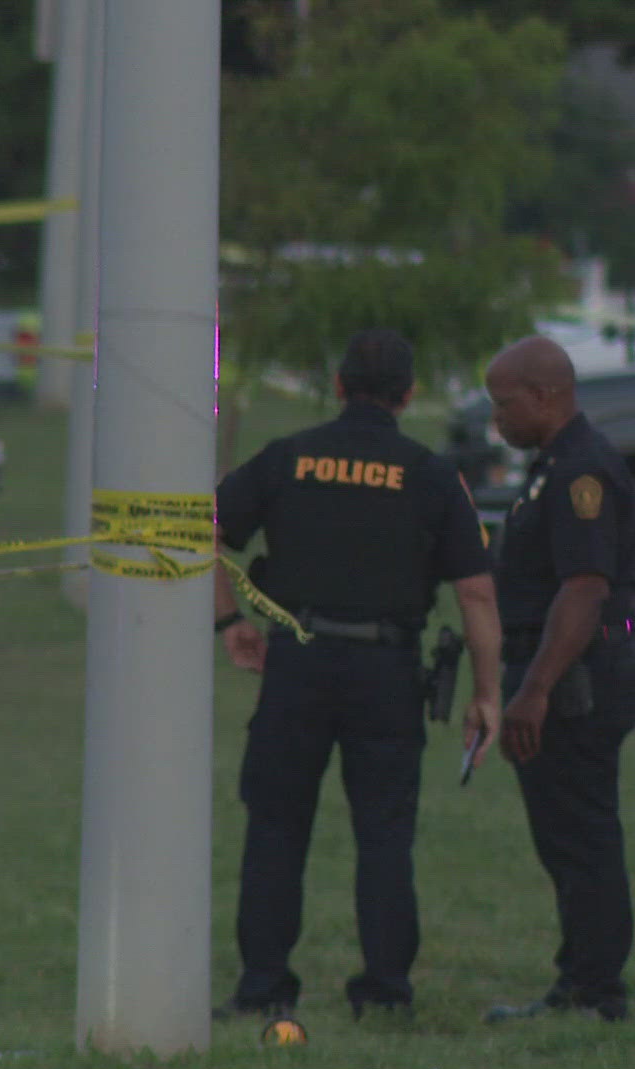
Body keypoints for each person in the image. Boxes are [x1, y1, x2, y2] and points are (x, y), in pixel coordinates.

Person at [211, 328, 504, 1020]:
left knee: (276, 828)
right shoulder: (431, 475)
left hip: (298, 664)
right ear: (408, 396)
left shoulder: (289, 458)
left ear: (338, 387)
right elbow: (477, 594)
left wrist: (231, 624)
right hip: (386, 670)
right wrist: (488, 694)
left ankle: (262, 990)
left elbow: (205, 528)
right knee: (383, 834)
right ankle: (384, 994)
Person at [478, 335, 635, 1023]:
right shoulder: (552, 466)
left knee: (582, 837)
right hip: (559, 671)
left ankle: (594, 991)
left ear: (546, 394)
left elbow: (583, 589)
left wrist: (536, 688)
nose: (498, 419)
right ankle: (580, 981)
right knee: (566, 837)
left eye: (505, 402)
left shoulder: (582, 472)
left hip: (575, 679)